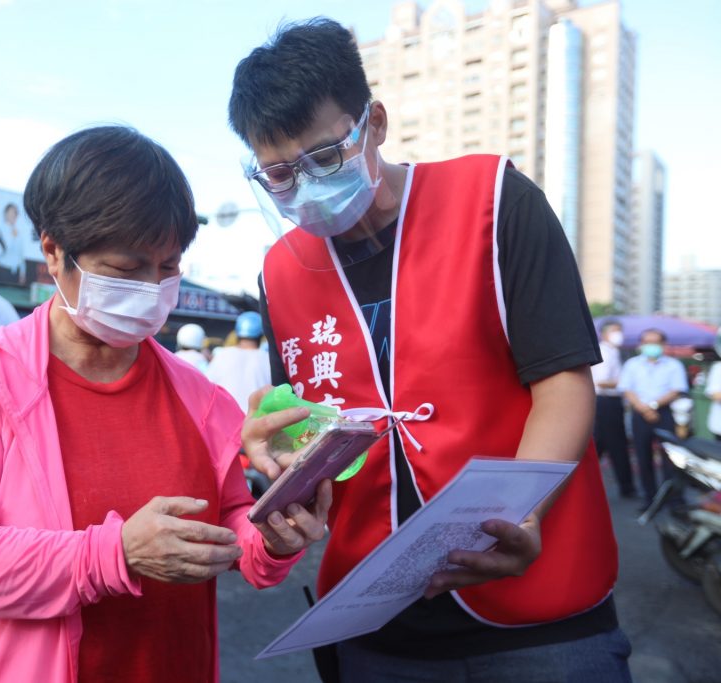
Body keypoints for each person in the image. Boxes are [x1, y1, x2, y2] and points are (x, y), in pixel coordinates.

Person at [230, 19, 629, 681]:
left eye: (325, 157)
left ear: (375, 122)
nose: (305, 186)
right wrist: (279, 462)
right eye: (278, 174)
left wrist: (521, 514)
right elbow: (312, 426)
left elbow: (562, 380)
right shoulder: (281, 270)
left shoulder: (495, 200)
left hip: (540, 619)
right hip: (375, 624)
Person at [0, 126, 329, 683]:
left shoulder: (199, 397)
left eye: (168, 267)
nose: (152, 288)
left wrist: (275, 536)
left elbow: (236, 529)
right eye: (126, 270)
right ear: (54, 252)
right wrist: (114, 556)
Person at [618, 328, 690, 509]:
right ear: (641, 345)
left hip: (664, 413)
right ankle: (649, 499)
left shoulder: (673, 365)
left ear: (663, 344)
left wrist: (653, 406)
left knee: (671, 459)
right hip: (639, 413)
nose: (651, 346)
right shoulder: (632, 364)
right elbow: (627, 389)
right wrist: (643, 408)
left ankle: (673, 499)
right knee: (643, 458)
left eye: (655, 342)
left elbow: (676, 390)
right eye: (647, 342)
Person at [593, 320, 636, 498]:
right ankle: (626, 487)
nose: (619, 335)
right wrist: (626, 382)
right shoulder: (604, 351)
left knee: (603, 444)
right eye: (615, 331)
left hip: (609, 402)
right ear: (604, 334)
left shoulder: (615, 352)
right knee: (614, 445)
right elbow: (601, 381)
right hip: (605, 401)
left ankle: (625, 486)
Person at [206, 311, 272, 412]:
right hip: (255, 422)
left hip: (225, 419)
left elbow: (207, 388)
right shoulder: (267, 358)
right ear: (261, 335)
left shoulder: (222, 355)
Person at [0, 202, 25, 285]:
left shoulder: (18, 231)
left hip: (16, 271)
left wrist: (22, 272)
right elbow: (3, 249)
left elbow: (21, 254)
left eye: (15, 213)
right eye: (11, 212)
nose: (13, 215)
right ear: (6, 214)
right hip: (4, 269)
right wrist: (12, 236)